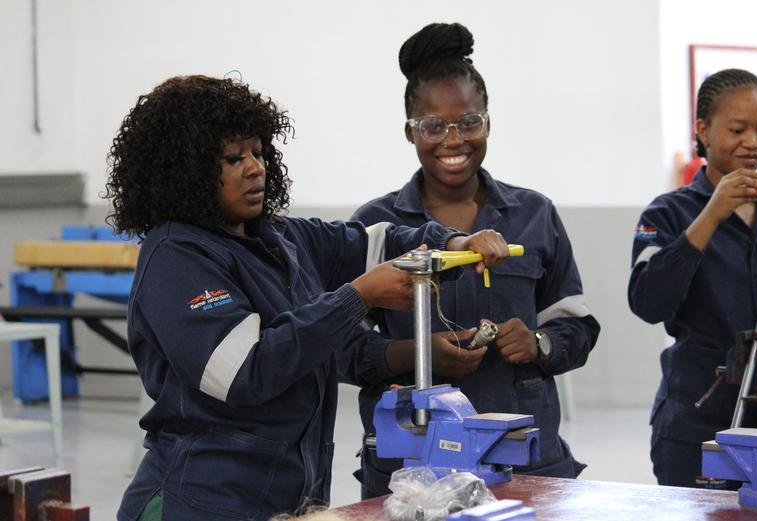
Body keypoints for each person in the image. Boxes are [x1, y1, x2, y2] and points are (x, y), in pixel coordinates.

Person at [104, 74, 511, 521]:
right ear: (185, 172)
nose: (255, 168)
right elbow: (244, 372)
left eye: (258, 152)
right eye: (233, 158)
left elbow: (377, 243)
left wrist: (453, 245)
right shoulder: (176, 257)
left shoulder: (280, 237)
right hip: (202, 502)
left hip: (286, 499)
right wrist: (357, 298)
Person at [338, 23, 601, 500]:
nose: (452, 139)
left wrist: (538, 343)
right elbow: (337, 347)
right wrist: (415, 355)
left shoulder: (533, 214)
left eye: (468, 122)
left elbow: (578, 327)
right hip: (412, 468)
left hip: (521, 459)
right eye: (433, 126)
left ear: (488, 124)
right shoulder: (374, 226)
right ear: (410, 132)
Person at [628, 68, 757, 488]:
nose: (753, 142)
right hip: (697, 420)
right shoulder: (667, 214)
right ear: (703, 130)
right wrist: (711, 215)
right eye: (738, 129)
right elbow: (647, 302)